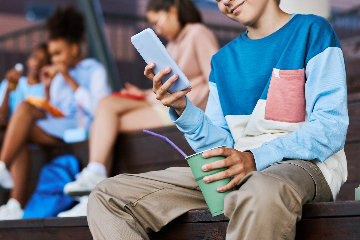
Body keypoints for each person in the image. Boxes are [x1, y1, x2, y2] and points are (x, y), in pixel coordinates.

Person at [87, 0, 348, 239]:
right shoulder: (222, 61)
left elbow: (330, 128)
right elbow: (220, 145)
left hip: (302, 166)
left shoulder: (313, 31)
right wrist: (183, 109)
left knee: (260, 190)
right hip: (238, 170)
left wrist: (255, 159)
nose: (225, 0)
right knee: (107, 196)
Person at [60, 0, 219, 217]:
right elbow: (171, 82)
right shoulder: (173, 44)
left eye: (157, 22)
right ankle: (92, 186)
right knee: (109, 116)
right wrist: (143, 92)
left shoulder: (197, 32)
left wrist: (189, 104)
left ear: (172, 11)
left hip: (183, 107)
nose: (157, 29)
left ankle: (94, 177)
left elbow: (215, 77)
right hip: (164, 101)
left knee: (108, 111)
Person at [0, 6, 111, 220]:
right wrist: (48, 88)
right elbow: (54, 111)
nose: (55, 59)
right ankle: (14, 204)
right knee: (21, 117)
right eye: (52, 55)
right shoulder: (58, 77)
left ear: (75, 49)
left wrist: (70, 80)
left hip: (84, 128)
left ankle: (2, 167)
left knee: (22, 116)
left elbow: (99, 109)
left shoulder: (94, 69)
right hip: (60, 126)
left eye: (58, 53)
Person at [0, 43, 49, 127]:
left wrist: (47, 88)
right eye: (35, 57)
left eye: (43, 60)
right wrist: (8, 88)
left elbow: (47, 117)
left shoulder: (46, 87)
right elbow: (2, 115)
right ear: (28, 60)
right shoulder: (13, 82)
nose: (37, 63)